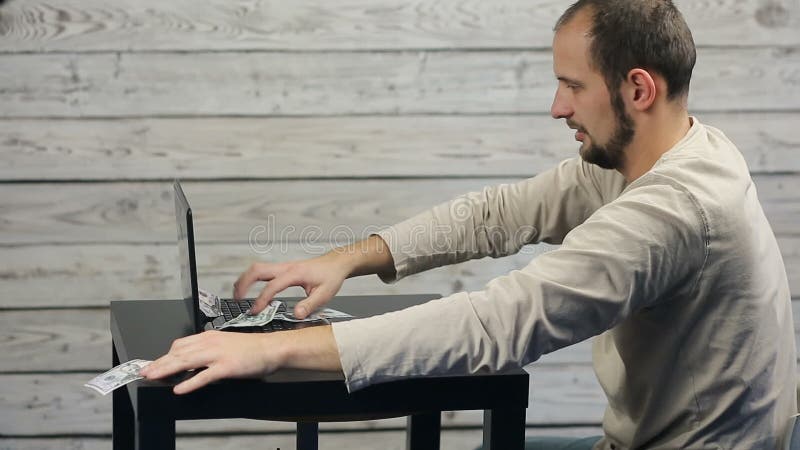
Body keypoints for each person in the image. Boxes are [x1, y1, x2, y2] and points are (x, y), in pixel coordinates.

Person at [140, 0, 797, 448]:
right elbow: (495, 216)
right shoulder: (653, 154)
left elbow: (499, 323)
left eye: (571, 85)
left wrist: (270, 347)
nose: (555, 106)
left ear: (638, 89)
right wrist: (344, 259)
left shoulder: (675, 210)